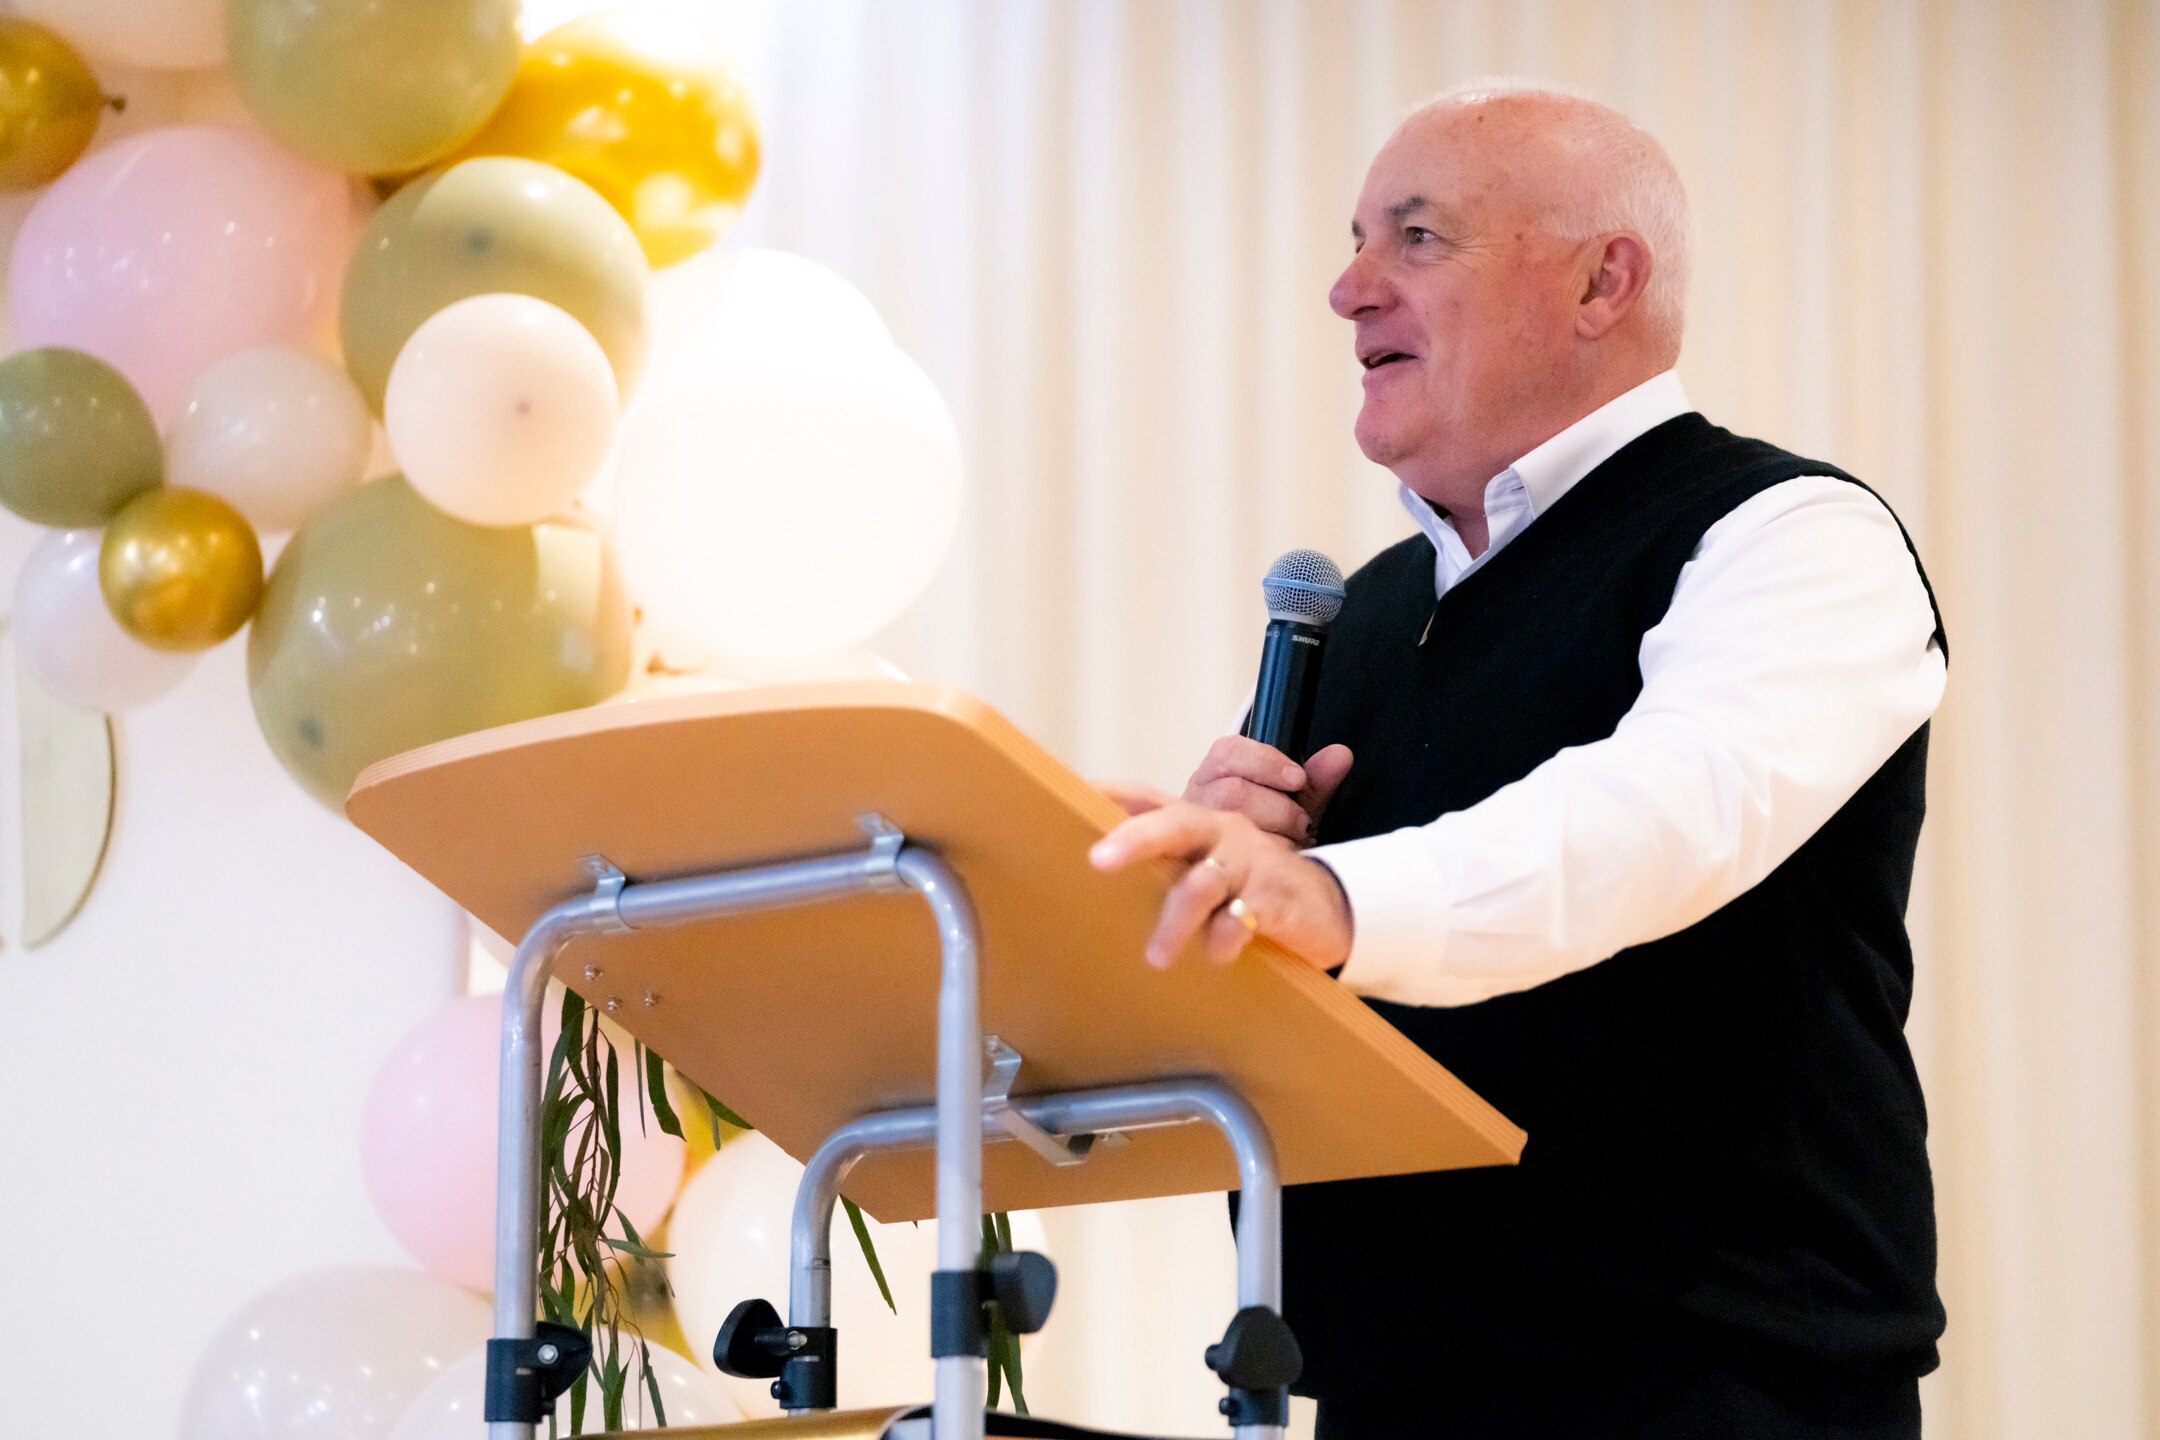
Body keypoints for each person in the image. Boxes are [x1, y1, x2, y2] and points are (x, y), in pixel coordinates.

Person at [1089, 83, 1947, 1439]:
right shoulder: (1360, 614)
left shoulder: (1790, 537)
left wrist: (1336, 901)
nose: (1348, 289)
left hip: (1716, 1381)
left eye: (1418, 239)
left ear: (1606, 281)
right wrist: (1223, 903)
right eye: (1357, 238)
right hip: (1387, 1387)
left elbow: (1662, 815)